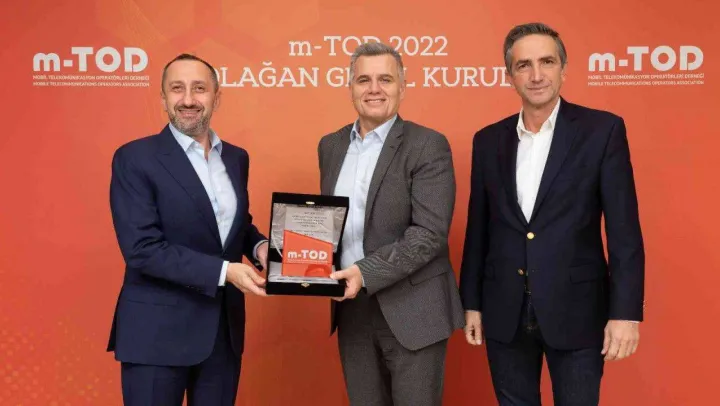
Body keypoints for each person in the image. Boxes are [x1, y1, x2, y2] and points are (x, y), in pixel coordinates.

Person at [459, 23, 645, 405]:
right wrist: (471, 303)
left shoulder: (602, 131)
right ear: (510, 75)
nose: (536, 74)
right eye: (523, 65)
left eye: (547, 62)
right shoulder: (488, 140)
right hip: (504, 310)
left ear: (564, 69)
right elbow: (478, 229)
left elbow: (624, 232)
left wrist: (626, 314)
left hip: (578, 311)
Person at [107, 53, 268, 406]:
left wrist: (261, 249)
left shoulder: (235, 158)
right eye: (177, 88)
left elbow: (232, 227)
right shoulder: (134, 158)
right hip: (156, 333)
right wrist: (226, 272)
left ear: (216, 97)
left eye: (199, 88)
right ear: (163, 98)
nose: (189, 99)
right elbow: (142, 249)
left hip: (222, 335)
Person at [318, 42, 464, 406]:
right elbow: (327, 223)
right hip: (352, 309)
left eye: (385, 79)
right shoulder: (330, 145)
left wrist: (364, 273)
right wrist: (303, 265)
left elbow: (428, 235)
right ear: (350, 87)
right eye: (363, 80)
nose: (374, 89)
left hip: (414, 309)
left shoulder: (427, 144)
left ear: (402, 86)